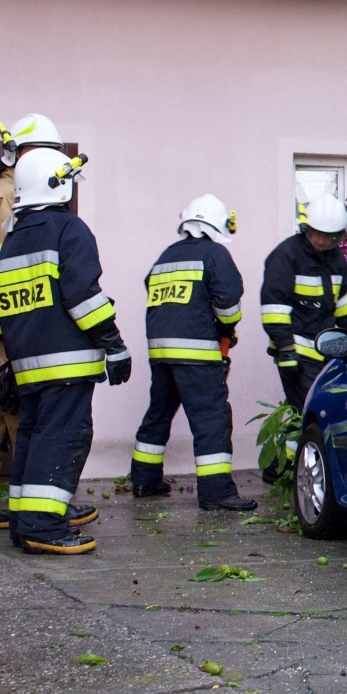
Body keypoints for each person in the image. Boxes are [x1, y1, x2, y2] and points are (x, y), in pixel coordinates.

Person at [0, 114, 94, 534]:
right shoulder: (10, 195)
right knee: (18, 407)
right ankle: (37, 505)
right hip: (6, 321)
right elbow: (15, 263)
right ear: (30, 154)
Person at [0, 149, 130, 555]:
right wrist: (114, 345)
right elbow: (83, 297)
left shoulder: (14, 238)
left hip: (27, 367)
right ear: (57, 183)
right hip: (68, 364)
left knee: (33, 436)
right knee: (62, 438)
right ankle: (43, 527)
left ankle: (25, 520)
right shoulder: (68, 229)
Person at [129, 195, 256, 512]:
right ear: (216, 224)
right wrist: (227, 329)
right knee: (211, 420)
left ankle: (144, 480)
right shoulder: (214, 253)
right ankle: (216, 492)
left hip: (161, 353)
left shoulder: (166, 256)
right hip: (198, 355)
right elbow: (228, 304)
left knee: (157, 415)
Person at [259, 193, 347, 475]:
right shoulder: (285, 256)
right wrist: (285, 350)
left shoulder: (336, 261)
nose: (322, 241)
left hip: (325, 353)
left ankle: (281, 469)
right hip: (296, 353)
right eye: (317, 234)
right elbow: (274, 308)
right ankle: (289, 471)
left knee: (307, 413)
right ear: (306, 228)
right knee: (307, 412)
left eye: (330, 236)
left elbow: (343, 310)